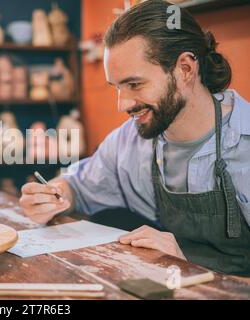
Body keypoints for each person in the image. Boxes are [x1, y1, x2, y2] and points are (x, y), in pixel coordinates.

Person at [19, 0, 250, 276]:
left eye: (135, 84)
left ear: (185, 69)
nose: (123, 104)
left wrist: (188, 262)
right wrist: (54, 195)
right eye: (117, 87)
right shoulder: (132, 140)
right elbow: (77, 186)